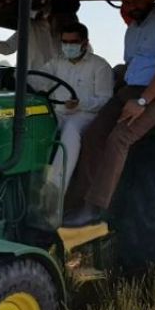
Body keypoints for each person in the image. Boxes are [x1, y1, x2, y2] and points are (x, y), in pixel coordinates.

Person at [62, 0, 155, 227]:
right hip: (131, 89)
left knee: (119, 138)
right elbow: (131, 65)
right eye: (127, 2)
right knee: (93, 135)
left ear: (149, 0)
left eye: (136, 1)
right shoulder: (133, 28)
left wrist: (142, 102)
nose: (130, 7)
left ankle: (94, 208)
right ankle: (72, 202)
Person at [36, 22, 113, 226]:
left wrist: (81, 103)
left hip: (86, 115)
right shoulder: (56, 63)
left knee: (70, 131)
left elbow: (105, 100)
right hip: (58, 112)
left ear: (85, 43)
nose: (68, 46)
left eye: (73, 42)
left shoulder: (100, 66)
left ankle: (53, 198)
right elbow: (38, 80)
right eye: (65, 42)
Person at [0, 0, 80, 71]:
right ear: (51, 16)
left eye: (69, 18)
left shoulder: (78, 42)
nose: (66, 21)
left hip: (62, 91)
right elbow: (7, 48)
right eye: (61, 17)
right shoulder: (31, 27)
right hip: (32, 87)